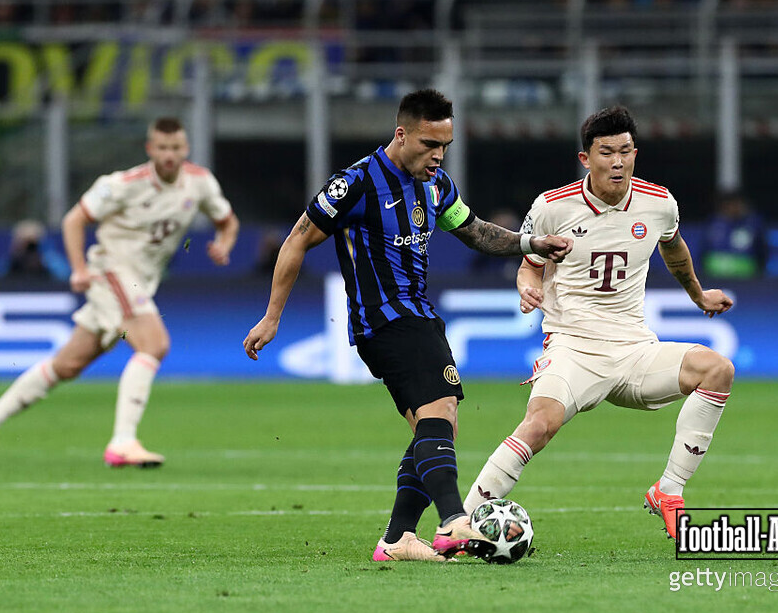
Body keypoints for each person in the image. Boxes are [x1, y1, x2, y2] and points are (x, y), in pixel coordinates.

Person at [242, 89, 573, 562]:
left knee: (434, 426)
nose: (437, 156)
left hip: (418, 315)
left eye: (445, 146)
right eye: (428, 145)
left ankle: (397, 539)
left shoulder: (436, 186)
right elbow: (297, 239)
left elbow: (475, 230)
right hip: (385, 321)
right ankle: (455, 518)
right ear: (401, 134)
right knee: (440, 410)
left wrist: (531, 242)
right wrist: (273, 315)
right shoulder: (356, 183)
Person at [462, 106, 735, 544]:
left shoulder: (659, 203)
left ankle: (669, 491)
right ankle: (462, 521)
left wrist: (699, 295)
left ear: (635, 153)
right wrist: (527, 287)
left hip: (634, 349)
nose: (618, 162)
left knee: (717, 370)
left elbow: (675, 250)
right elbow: (529, 265)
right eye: (607, 152)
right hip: (573, 346)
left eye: (625, 151)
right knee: (539, 425)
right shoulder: (552, 207)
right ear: (586, 158)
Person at [0, 117, 239, 470]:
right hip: (111, 272)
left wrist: (224, 244)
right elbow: (74, 220)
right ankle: (123, 442)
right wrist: (79, 268)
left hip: (140, 280)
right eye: (162, 148)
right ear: (149, 149)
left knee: (68, 364)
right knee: (154, 344)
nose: (169, 155)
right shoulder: (122, 185)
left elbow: (227, 220)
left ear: (185, 149)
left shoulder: (199, 183)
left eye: (175, 148)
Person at [701, 192, 765, 279]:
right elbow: (703, 252)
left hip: (746, 277)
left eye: (737, 204)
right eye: (729, 204)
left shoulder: (753, 224)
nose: (733, 207)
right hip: (715, 276)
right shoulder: (713, 223)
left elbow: (761, 252)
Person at [0, 219, 70, 281]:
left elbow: (64, 276)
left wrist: (43, 262)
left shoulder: (49, 260)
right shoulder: (10, 262)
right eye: (23, 242)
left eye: (31, 243)